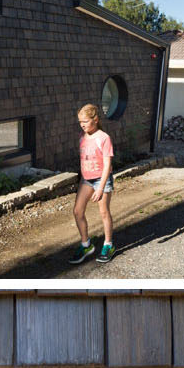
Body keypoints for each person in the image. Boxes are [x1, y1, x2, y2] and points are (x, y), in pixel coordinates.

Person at [73, 102, 115, 263]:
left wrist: (101, 188)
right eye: (80, 122)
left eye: (85, 121)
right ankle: (86, 245)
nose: (82, 125)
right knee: (77, 211)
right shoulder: (83, 137)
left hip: (101, 179)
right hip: (86, 179)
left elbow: (107, 165)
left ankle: (108, 244)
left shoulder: (104, 138)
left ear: (95, 119)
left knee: (104, 212)